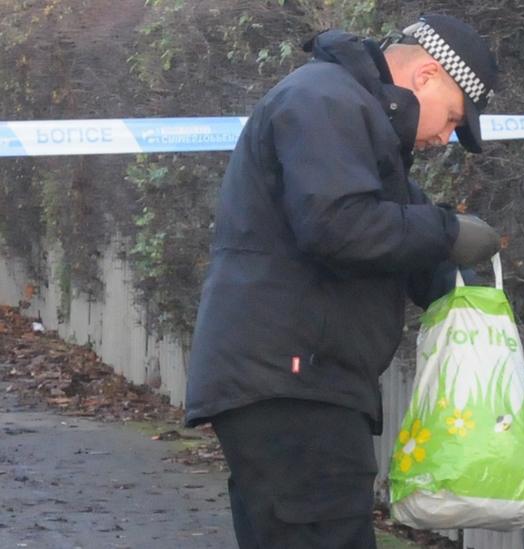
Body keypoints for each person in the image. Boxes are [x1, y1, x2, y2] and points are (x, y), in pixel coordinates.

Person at [183, 14, 502, 548]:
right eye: (452, 118)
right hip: (294, 385)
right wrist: (448, 231)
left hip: (300, 381)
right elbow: (340, 226)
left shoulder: (353, 114)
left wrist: (465, 292)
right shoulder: (325, 101)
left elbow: (394, 237)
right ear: (425, 75)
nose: (446, 137)